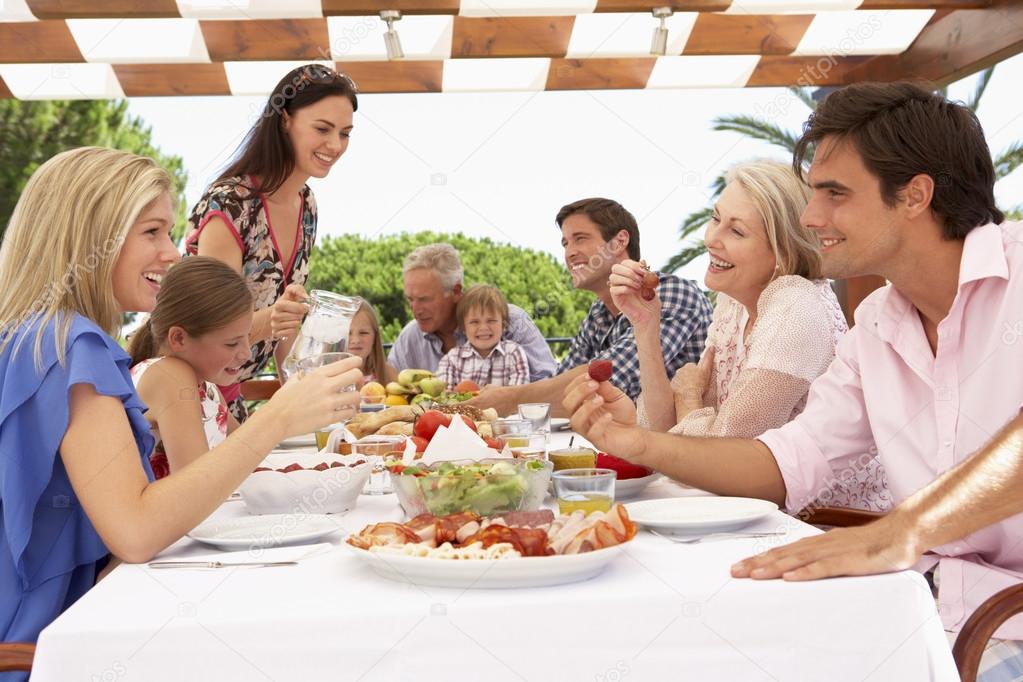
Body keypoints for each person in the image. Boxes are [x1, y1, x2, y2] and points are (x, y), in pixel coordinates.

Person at [562, 82, 1023, 674]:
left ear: (915, 195)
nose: (810, 217)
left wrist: (902, 530)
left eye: (834, 193)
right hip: (923, 614)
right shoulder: (876, 326)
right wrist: (636, 443)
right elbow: (786, 462)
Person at [0, 147, 362, 660]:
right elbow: (136, 532)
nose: (172, 252)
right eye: (151, 232)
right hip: (48, 642)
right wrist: (278, 418)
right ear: (90, 238)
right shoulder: (72, 346)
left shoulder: (32, 338)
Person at [617, 161, 885, 510]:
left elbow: (718, 460)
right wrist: (645, 327)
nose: (712, 239)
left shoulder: (795, 304)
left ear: (783, 251)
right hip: (756, 516)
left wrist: (688, 399)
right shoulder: (734, 303)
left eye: (737, 232)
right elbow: (663, 441)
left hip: (827, 528)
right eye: (715, 219)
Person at [185, 63, 358, 422]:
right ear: (284, 119)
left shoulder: (306, 204)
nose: (335, 145)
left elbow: (285, 328)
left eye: (345, 133)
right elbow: (208, 327)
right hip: (189, 393)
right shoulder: (230, 203)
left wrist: (313, 407)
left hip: (231, 396)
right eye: (322, 129)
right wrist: (275, 319)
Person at [472, 198, 712, 418]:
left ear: (619, 241)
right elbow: (562, 381)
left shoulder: (669, 293)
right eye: (565, 243)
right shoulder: (599, 312)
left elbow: (604, 381)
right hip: (633, 446)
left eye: (580, 238)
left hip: (682, 450)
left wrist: (509, 398)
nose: (569, 253)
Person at [128, 257, 252, 479]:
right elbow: (196, 484)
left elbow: (250, 456)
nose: (247, 353)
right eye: (232, 343)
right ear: (179, 338)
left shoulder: (208, 390)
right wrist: (281, 413)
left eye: (247, 337)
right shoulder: (168, 376)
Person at [387, 243, 556, 381]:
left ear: (456, 291)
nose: (415, 310)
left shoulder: (512, 321)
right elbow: (390, 391)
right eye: (410, 299)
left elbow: (549, 385)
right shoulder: (409, 338)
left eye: (424, 299)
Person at [436, 284, 530, 388]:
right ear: (463, 328)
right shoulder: (451, 359)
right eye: (475, 322)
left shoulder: (514, 353)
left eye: (491, 321)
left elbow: (518, 394)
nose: (483, 328)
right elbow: (445, 398)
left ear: (503, 325)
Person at [347, 298, 397, 385]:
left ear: (375, 337)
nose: (355, 340)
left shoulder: (389, 374)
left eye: (364, 333)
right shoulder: (328, 377)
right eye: (347, 333)